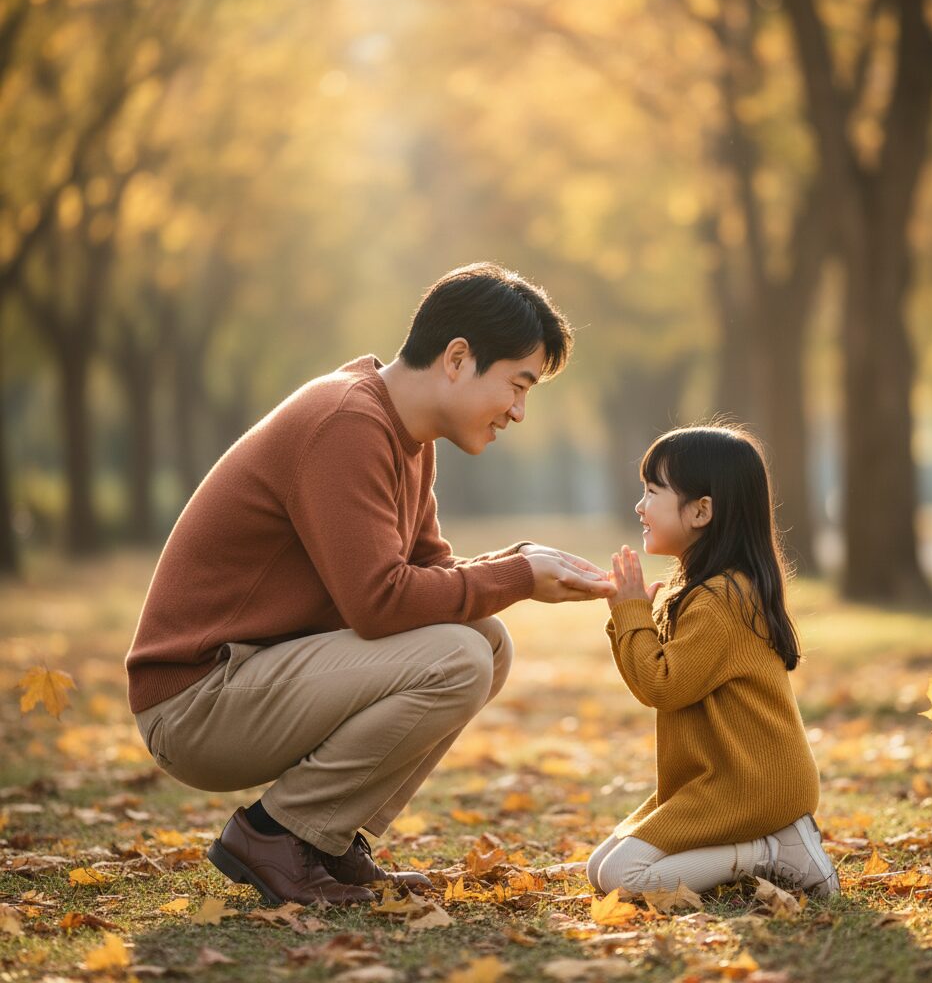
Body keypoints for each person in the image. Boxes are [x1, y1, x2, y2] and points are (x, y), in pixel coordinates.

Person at [126, 262, 614, 908]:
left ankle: (323, 839)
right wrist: (519, 575)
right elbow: (379, 603)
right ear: (458, 358)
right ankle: (274, 835)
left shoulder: (406, 434)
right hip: (197, 702)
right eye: (517, 385)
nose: (520, 412)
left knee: (486, 642)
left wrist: (521, 561)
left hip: (253, 680)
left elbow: (431, 574)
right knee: (459, 657)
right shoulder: (346, 422)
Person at [587, 425, 840, 899]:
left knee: (621, 878)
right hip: (721, 777)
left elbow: (662, 686)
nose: (640, 506)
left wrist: (630, 613)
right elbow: (657, 680)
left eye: (653, 491)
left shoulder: (722, 598)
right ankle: (767, 848)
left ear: (702, 511)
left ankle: (772, 852)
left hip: (753, 783)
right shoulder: (709, 590)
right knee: (599, 868)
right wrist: (628, 613)